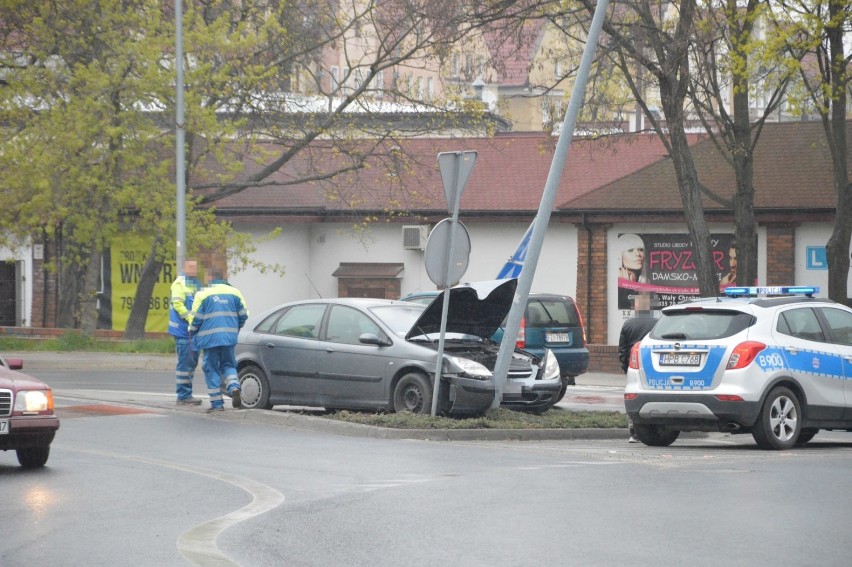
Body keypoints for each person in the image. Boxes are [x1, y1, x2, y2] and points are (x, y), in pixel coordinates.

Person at [189, 268, 248, 412]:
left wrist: (192, 332)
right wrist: (235, 328)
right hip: (229, 338)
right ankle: (234, 386)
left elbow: (196, 319)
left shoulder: (203, 294)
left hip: (210, 339)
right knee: (229, 365)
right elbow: (243, 315)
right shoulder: (235, 292)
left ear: (210, 278)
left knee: (211, 368)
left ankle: (217, 404)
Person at [618, 293, 657, 443]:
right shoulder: (657, 323)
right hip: (651, 367)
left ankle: (633, 432)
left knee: (632, 397)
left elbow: (622, 350)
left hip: (633, 367)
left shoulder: (628, 324)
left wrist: (625, 367)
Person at [168, 259, 202, 405]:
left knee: (191, 362)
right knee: (185, 364)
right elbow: (177, 304)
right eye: (191, 266)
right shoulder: (180, 283)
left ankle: (186, 394)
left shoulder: (193, 284)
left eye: (195, 266)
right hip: (183, 331)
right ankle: (183, 396)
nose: (193, 269)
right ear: (184, 268)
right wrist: (190, 318)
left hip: (191, 331)